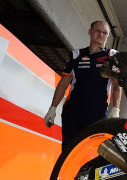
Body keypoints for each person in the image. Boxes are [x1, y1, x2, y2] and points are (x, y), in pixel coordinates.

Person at [44, 20, 121, 150]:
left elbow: (116, 85)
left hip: (97, 114)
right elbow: (63, 83)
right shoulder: (76, 55)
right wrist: (53, 108)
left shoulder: (112, 56)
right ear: (90, 32)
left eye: (105, 33)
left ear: (108, 36)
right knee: (69, 151)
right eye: (98, 31)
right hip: (72, 112)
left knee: (91, 153)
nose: (101, 35)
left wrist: (116, 109)